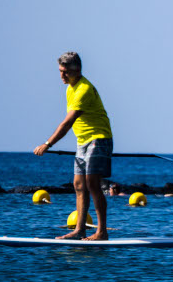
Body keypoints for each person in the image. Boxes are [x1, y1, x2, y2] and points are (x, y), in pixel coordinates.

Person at [33, 52, 113, 240]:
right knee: (78, 185)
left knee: (92, 183)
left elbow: (67, 123)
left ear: (77, 70)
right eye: (60, 71)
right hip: (82, 141)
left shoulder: (84, 89)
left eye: (66, 72)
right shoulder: (70, 88)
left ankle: (101, 232)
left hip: (99, 138)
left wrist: (48, 144)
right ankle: (80, 230)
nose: (62, 76)